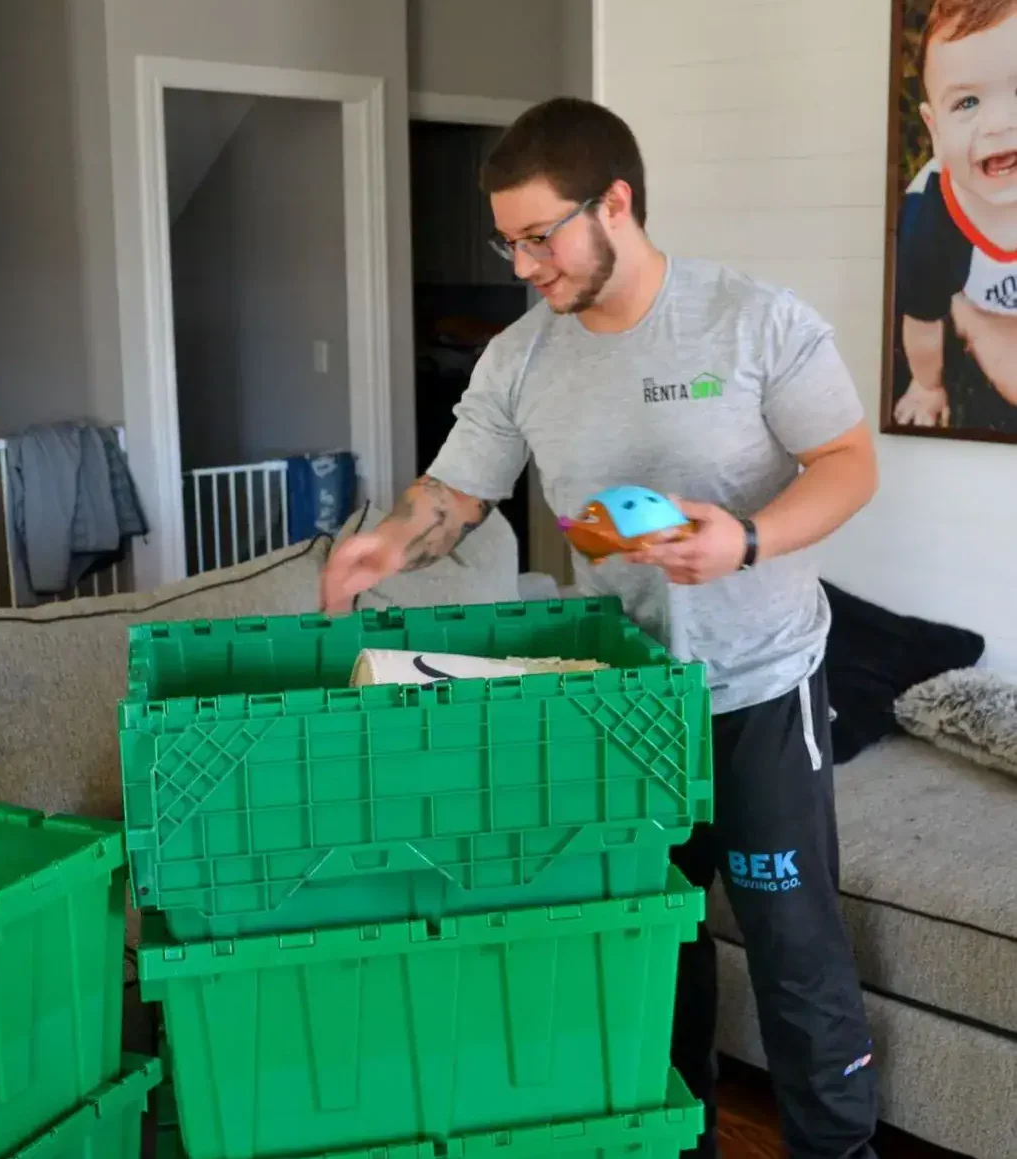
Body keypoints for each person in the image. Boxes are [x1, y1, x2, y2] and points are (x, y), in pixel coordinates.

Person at [320, 96, 880, 1158]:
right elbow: (456, 492)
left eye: (540, 235)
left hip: (760, 689)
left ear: (615, 204)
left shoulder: (754, 321)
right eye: (507, 239)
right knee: (644, 953)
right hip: (620, 703)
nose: (520, 264)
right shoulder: (521, 359)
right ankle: (674, 1142)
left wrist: (747, 540)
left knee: (795, 958)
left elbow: (850, 465)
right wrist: (387, 543)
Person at [893, 0, 1017, 429]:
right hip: (973, 292)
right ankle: (966, 315)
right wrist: (928, 385)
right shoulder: (927, 225)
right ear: (934, 130)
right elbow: (922, 322)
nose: (1000, 123)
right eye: (967, 103)